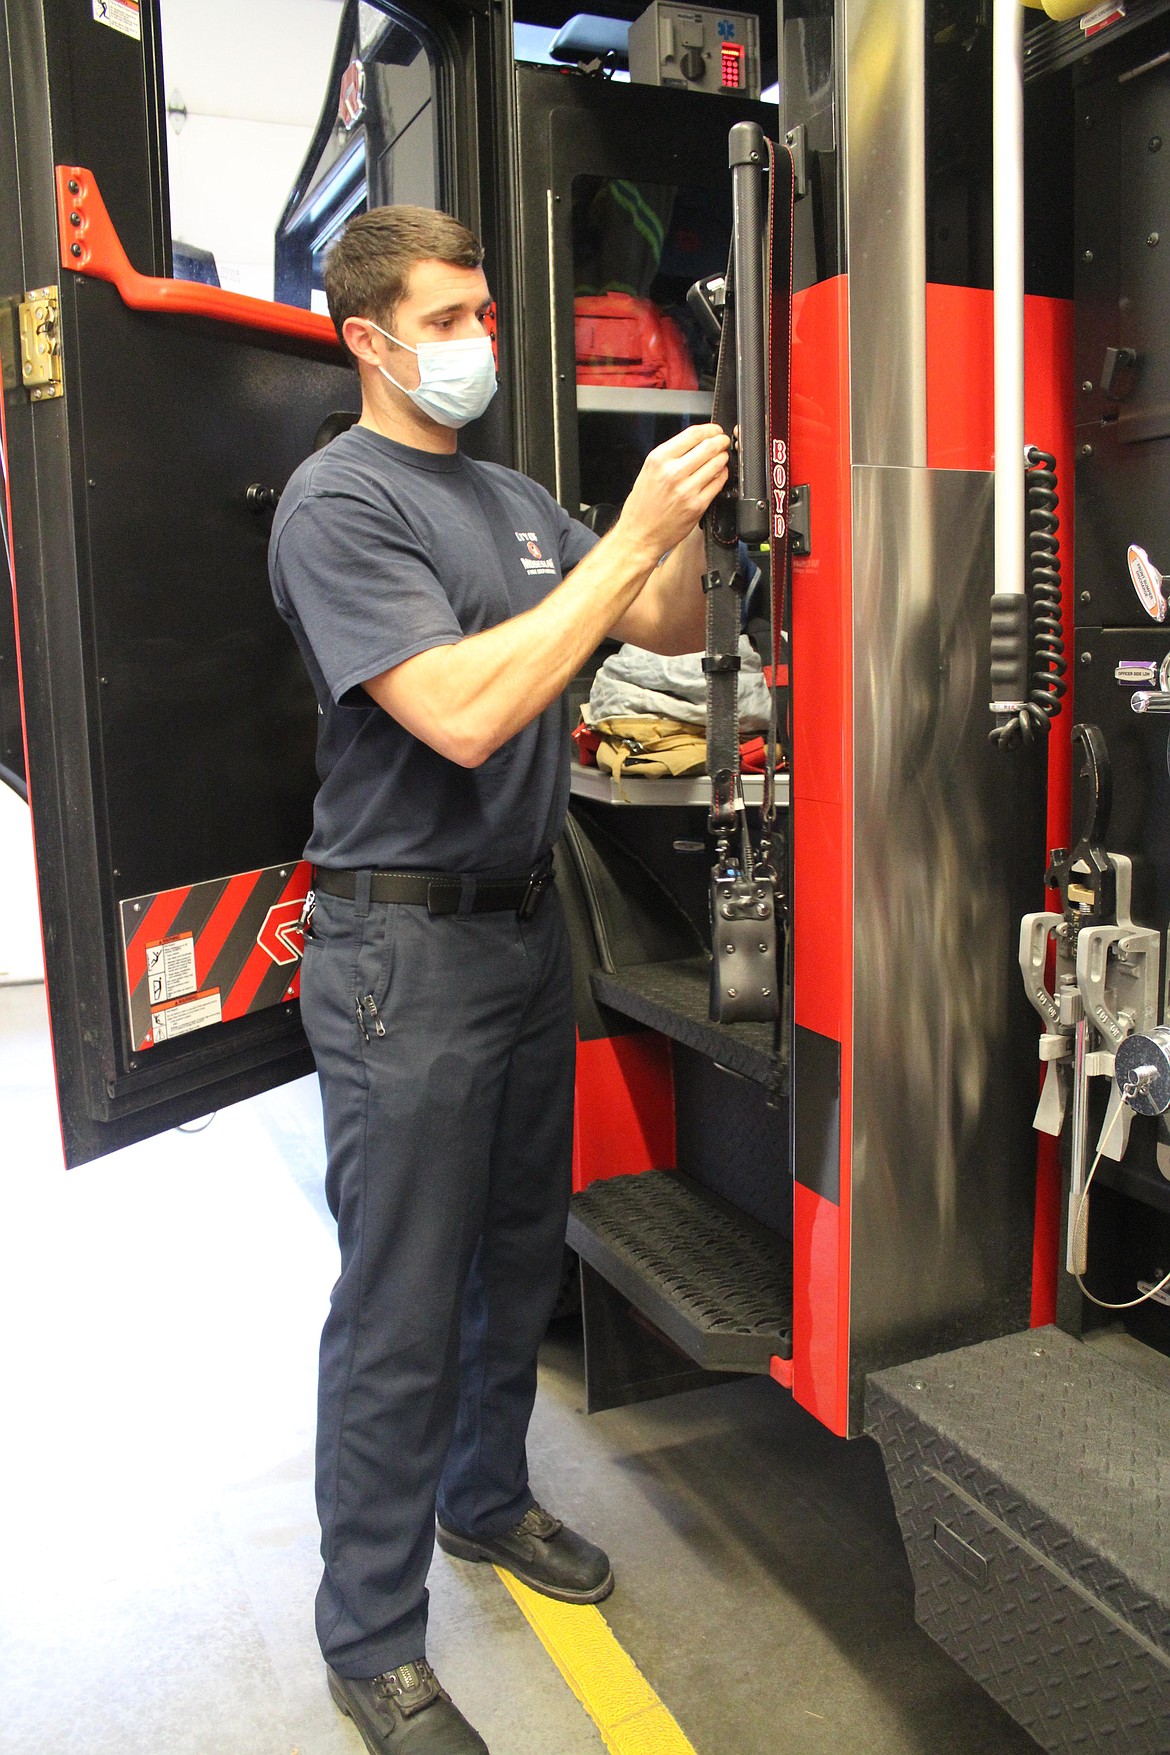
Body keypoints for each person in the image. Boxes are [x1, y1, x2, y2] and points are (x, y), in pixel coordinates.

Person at [269, 204, 729, 1755]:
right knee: (399, 1301)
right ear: (371, 339)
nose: (475, 339)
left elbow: (651, 620)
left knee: (514, 1259)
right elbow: (465, 713)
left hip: (526, 935)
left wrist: (681, 526)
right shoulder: (340, 507)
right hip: (402, 950)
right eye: (449, 315)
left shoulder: (514, 497)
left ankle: (483, 1503)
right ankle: (372, 1640)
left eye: (481, 311)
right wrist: (618, 556)